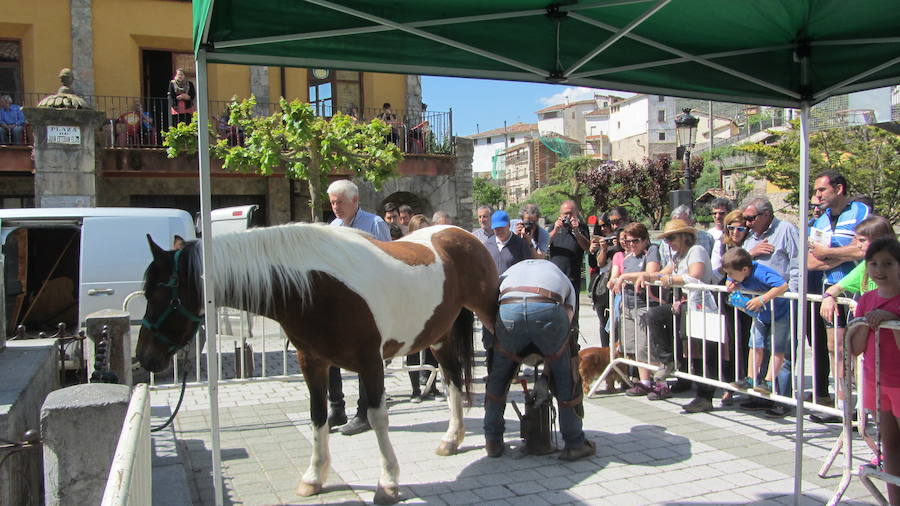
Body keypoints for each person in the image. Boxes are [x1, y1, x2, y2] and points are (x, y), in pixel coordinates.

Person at [483, 259, 596, 461]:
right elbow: (565, 329)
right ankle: (574, 443)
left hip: (509, 308)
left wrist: (502, 340)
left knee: (498, 378)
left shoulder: (509, 273)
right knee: (566, 377)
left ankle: (493, 441)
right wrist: (548, 372)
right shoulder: (561, 276)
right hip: (547, 307)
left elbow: (488, 308)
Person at [326, 179, 391, 436]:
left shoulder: (374, 224)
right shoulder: (333, 227)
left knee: (367, 356)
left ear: (355, 201)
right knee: (329, 352)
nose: (335, 207)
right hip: (341, 303)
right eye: (332, 202)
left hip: (370, 302)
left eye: (340, 202)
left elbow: (388, 258)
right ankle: (336, 408)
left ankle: (365, 413)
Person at [636, 218, 719, 413]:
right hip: (685, 304)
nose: (669, 242)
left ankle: (705, 395)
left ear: (684, 236)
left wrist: (671, 279)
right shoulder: (679, 256)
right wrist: (646, 276)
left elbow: (696, 274)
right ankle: (667, 359)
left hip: (701, 306)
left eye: (671, 238)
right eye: (666, 239)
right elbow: (662, 273)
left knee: (700, 349)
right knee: (654, 315)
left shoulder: (696, 250)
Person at [808, 170, 870, 422]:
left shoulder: (860, 211)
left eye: (821, 190)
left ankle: (863, 407)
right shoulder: (820, 221)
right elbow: (812, 262)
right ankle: (842, 406)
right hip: (830, 292)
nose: (817, 196)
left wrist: (829, 253)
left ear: (839, 188)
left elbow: (863, 249)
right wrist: (841, 254)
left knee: (857, 351)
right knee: (835, 348)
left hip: (858, 293)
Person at [847, 237, 900, 505]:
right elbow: (855, 348)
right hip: (877, 383)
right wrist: (864, 325)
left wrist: (893, 321)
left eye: (888, 264)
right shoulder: (866, 300)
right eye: (874, 264)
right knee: (889, 447)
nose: (880, 270)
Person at [738, 196, 801, 412]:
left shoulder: (786, 230)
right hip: (758, 302)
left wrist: (793, 294)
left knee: (781, 350)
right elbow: (739, 261)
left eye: (751, 218)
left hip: (782, 299)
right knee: (759, 347)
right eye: (745, 218)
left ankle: (782, 400)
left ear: (766, 214)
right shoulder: (751, 237)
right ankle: (760, 393)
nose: (747, 222)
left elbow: (796, 262)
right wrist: (752, 252)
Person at [722, 248, 790, 406]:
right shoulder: (741, 272)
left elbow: (782, 285)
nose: (730, 276)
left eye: (732, 274)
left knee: (777, 347)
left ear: (745, 269)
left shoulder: (760, 272)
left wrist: (762, 299)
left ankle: (769, 381)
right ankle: (751, 378)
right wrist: (729, 282)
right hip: (762, 315)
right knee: (755, 344)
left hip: (780, 313)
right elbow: (731, 279)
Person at [609, 223, 662, 396]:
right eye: (628, 241)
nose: (631, 244)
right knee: (632, 346)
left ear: (645, 239)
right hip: (628, 304)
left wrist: (624, 277)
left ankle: (660, 382)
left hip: (645, 304)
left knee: (645, 345)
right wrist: (615, 281)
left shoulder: (652, 251)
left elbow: (651, 273)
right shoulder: (628, 257)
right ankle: (644, 381)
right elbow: (617, 276)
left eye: (635, 241)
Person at [482, 210, 535, 373]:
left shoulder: (519, 244)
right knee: (490, 336)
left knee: (511, 334)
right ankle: (492, 371)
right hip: (492, 297)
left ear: (508, 226)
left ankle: (513, 371)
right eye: (495, 228)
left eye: (501, 228)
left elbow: (528, 266)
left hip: (513, 296)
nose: (498, 231)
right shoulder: (488, 245)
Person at [820, 215, 896, 321]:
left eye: (862, 240)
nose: (858, 245)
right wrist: (828, 297)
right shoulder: (864, 266)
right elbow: (838, 287)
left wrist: (865, 311)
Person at [548, 200, 591, 331]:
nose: (568, 217)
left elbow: (588, 248)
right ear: (560, 215)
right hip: (555, 281)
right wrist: (556, 229)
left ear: (576, 213)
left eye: (571, 214)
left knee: (572, 317)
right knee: (553, 316)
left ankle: (572, 346)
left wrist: (577, 231)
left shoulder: (582, 228)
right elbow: (543, 245)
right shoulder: (553, 228)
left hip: (573, 280)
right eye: (565, 214)